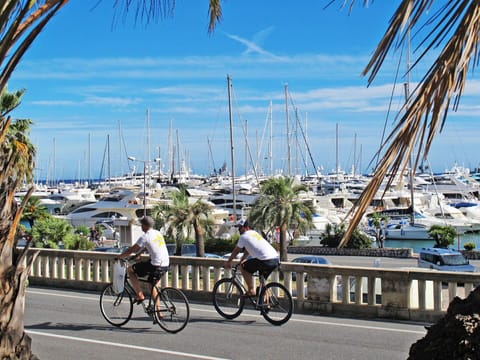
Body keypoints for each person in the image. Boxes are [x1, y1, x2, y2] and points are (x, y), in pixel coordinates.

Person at [115, 216, 169, 304]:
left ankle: (140, 295)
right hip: (165, 264)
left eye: (141, 225)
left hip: (155, 265)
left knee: (130, 270)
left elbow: (131, 249)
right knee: (152, 286)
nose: (140, 227)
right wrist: (139, 254)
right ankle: (158, 313)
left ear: (144, 226)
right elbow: (149, 246)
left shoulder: (145, 237)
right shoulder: (158, 233)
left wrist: (119, 257)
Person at [224, 219, 279, 297]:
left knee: (243, 267)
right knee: (262, 282)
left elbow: (236, 250)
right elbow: (247, 251)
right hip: (275, 259)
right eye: (238, 228)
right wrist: (241, 260)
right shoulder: (254, 233)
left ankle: (251, 290)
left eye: (240, 227)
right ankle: (266, 304)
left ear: (246, 227)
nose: (239, 230)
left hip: (265, 260)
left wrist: (228, 261)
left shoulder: (244, 236)